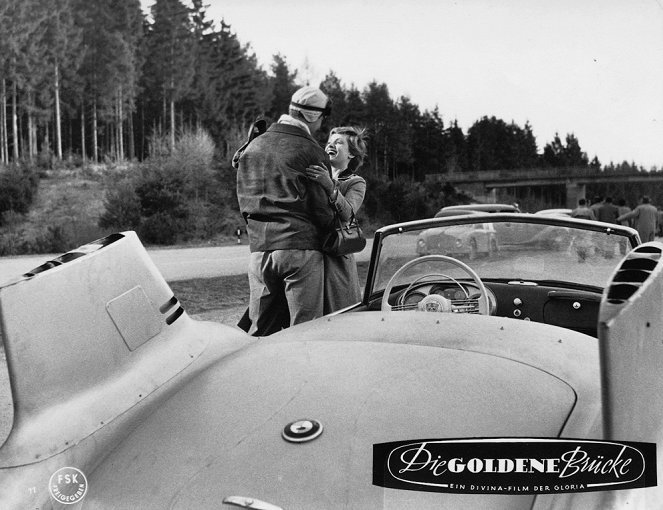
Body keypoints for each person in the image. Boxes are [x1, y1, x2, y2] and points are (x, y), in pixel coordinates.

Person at [235, 86, 336, 336]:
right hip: (299, 250)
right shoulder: (312, 151)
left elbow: (243, 199)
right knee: (304, 331)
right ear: (313, 116)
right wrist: (338, 223)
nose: (321, 125)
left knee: (260, 331)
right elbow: (321, 210)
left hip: (259, 252)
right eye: (322, 119)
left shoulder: (251, 148)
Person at [306, 126, 369, 313]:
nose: (331, 145)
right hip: (310, 251)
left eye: (339, 142)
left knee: (339, 312)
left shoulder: (356, 182)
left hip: (336, 257)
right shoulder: (314, 174)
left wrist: (329, 185)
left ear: (351, 155)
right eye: (329, 142)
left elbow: (348, 213)